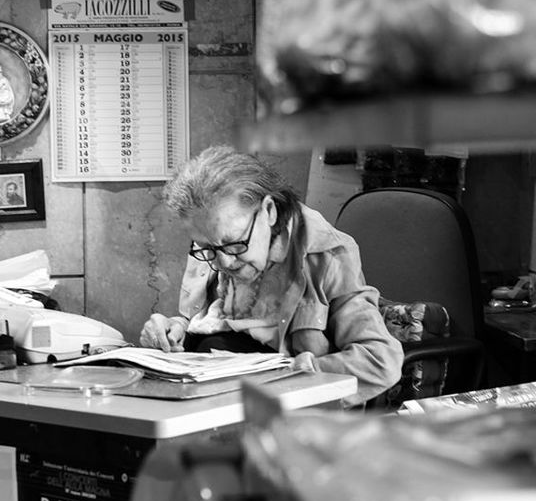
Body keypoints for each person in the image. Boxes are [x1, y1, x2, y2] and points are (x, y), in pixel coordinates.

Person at [139, 146, 403, 405]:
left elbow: (380, 361)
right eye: (207, 248)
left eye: (234, 244)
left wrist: (290, 378)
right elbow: (209, 320)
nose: (223, 263)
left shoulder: (327, 255)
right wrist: (175, 328)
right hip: (207, 394)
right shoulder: (214, 241)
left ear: (269, 211)